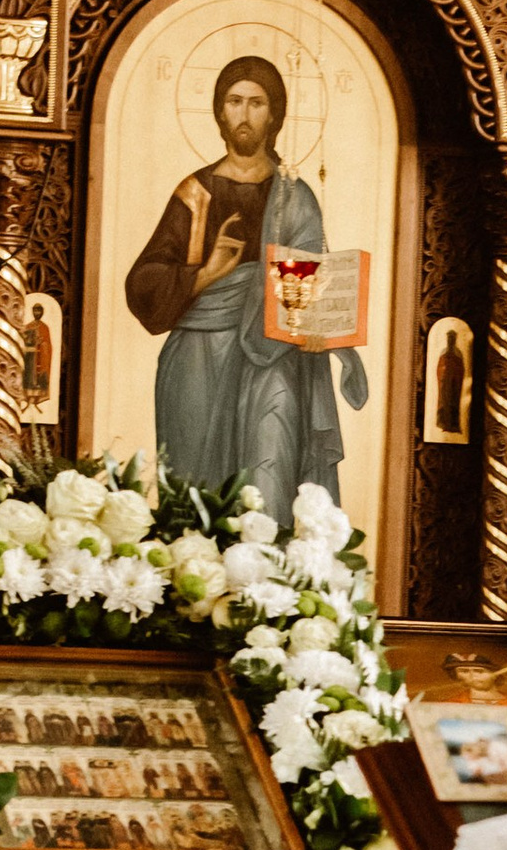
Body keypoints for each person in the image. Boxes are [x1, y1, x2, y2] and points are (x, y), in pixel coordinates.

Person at [126, 54, 365, 527]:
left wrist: (319, 330)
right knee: (196, 494)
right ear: (219, 112)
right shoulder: (194, 193)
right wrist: (205, 274)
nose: (244, 114)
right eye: (234, 101)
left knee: (270, 469)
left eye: (257, 103)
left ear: (273, 114)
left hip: (274, 355)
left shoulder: (294, 195)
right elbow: (144, 282)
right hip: (199, 355)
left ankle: (268, 588)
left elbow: (311, 283)